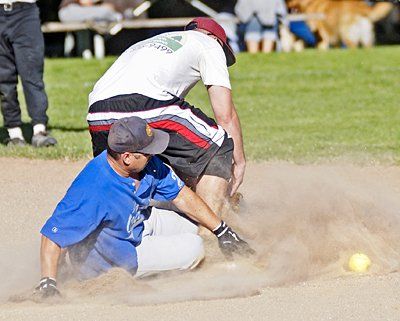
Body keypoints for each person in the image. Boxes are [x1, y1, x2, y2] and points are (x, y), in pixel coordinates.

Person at [35, 116, 254, 298]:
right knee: (195, 247)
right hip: (117, 256)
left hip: (138, 220)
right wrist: (48, 282)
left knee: (195, 226)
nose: (153, 155)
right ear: (127, 157)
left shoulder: (146, 166)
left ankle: (172, 253)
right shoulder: (93, 188)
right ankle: (187, 270)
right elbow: (53, 234)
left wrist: (222, 230)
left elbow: (181, 195)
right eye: (147, 152)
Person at [87, 17, 246, 215]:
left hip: (98, 115)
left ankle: (115, 230)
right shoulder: (209, 44)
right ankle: (209, 233)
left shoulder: (151, 43)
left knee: (127, 172)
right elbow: (225, 116)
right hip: (147, 105)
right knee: (217, 144)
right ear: (217, 39)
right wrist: (238, 161)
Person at [0, 0, 57, 147]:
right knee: (3, 80)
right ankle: (14, 134)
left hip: (25, 12)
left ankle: (39, 131)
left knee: (32, 75)